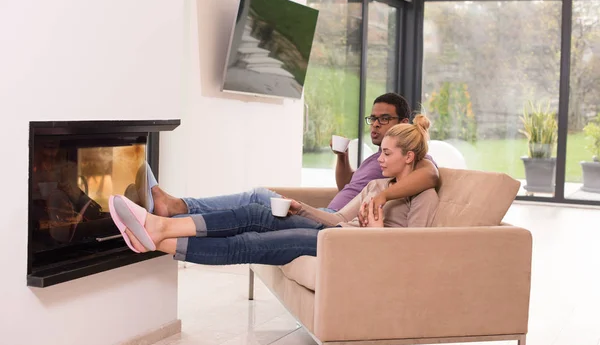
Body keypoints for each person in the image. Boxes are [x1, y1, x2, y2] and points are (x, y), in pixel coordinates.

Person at [108, 115, 439, 266]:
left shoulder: (424, 196)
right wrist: (301, 208)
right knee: (255, 211)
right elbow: (337, 217)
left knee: (249, 244)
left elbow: (411, 253)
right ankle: (159, 231)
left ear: (409, 157)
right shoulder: (377, 184)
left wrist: (376, 233)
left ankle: (156, 234)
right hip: (336, 232)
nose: (379, 158)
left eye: (387, 153)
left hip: (350, 249)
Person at [147, 92, 439, 219]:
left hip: (332, 219)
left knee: (257, 198)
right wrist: (341, 156)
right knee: (257, 202)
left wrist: (382, 197)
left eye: (383, 119)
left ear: (403, 121)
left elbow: (431, 175)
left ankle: (178, 207)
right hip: (329, 214)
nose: (375, 124)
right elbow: (346, 186)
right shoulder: (378, 160)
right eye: (372, 118)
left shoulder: (411, 159)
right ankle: (177, 213)